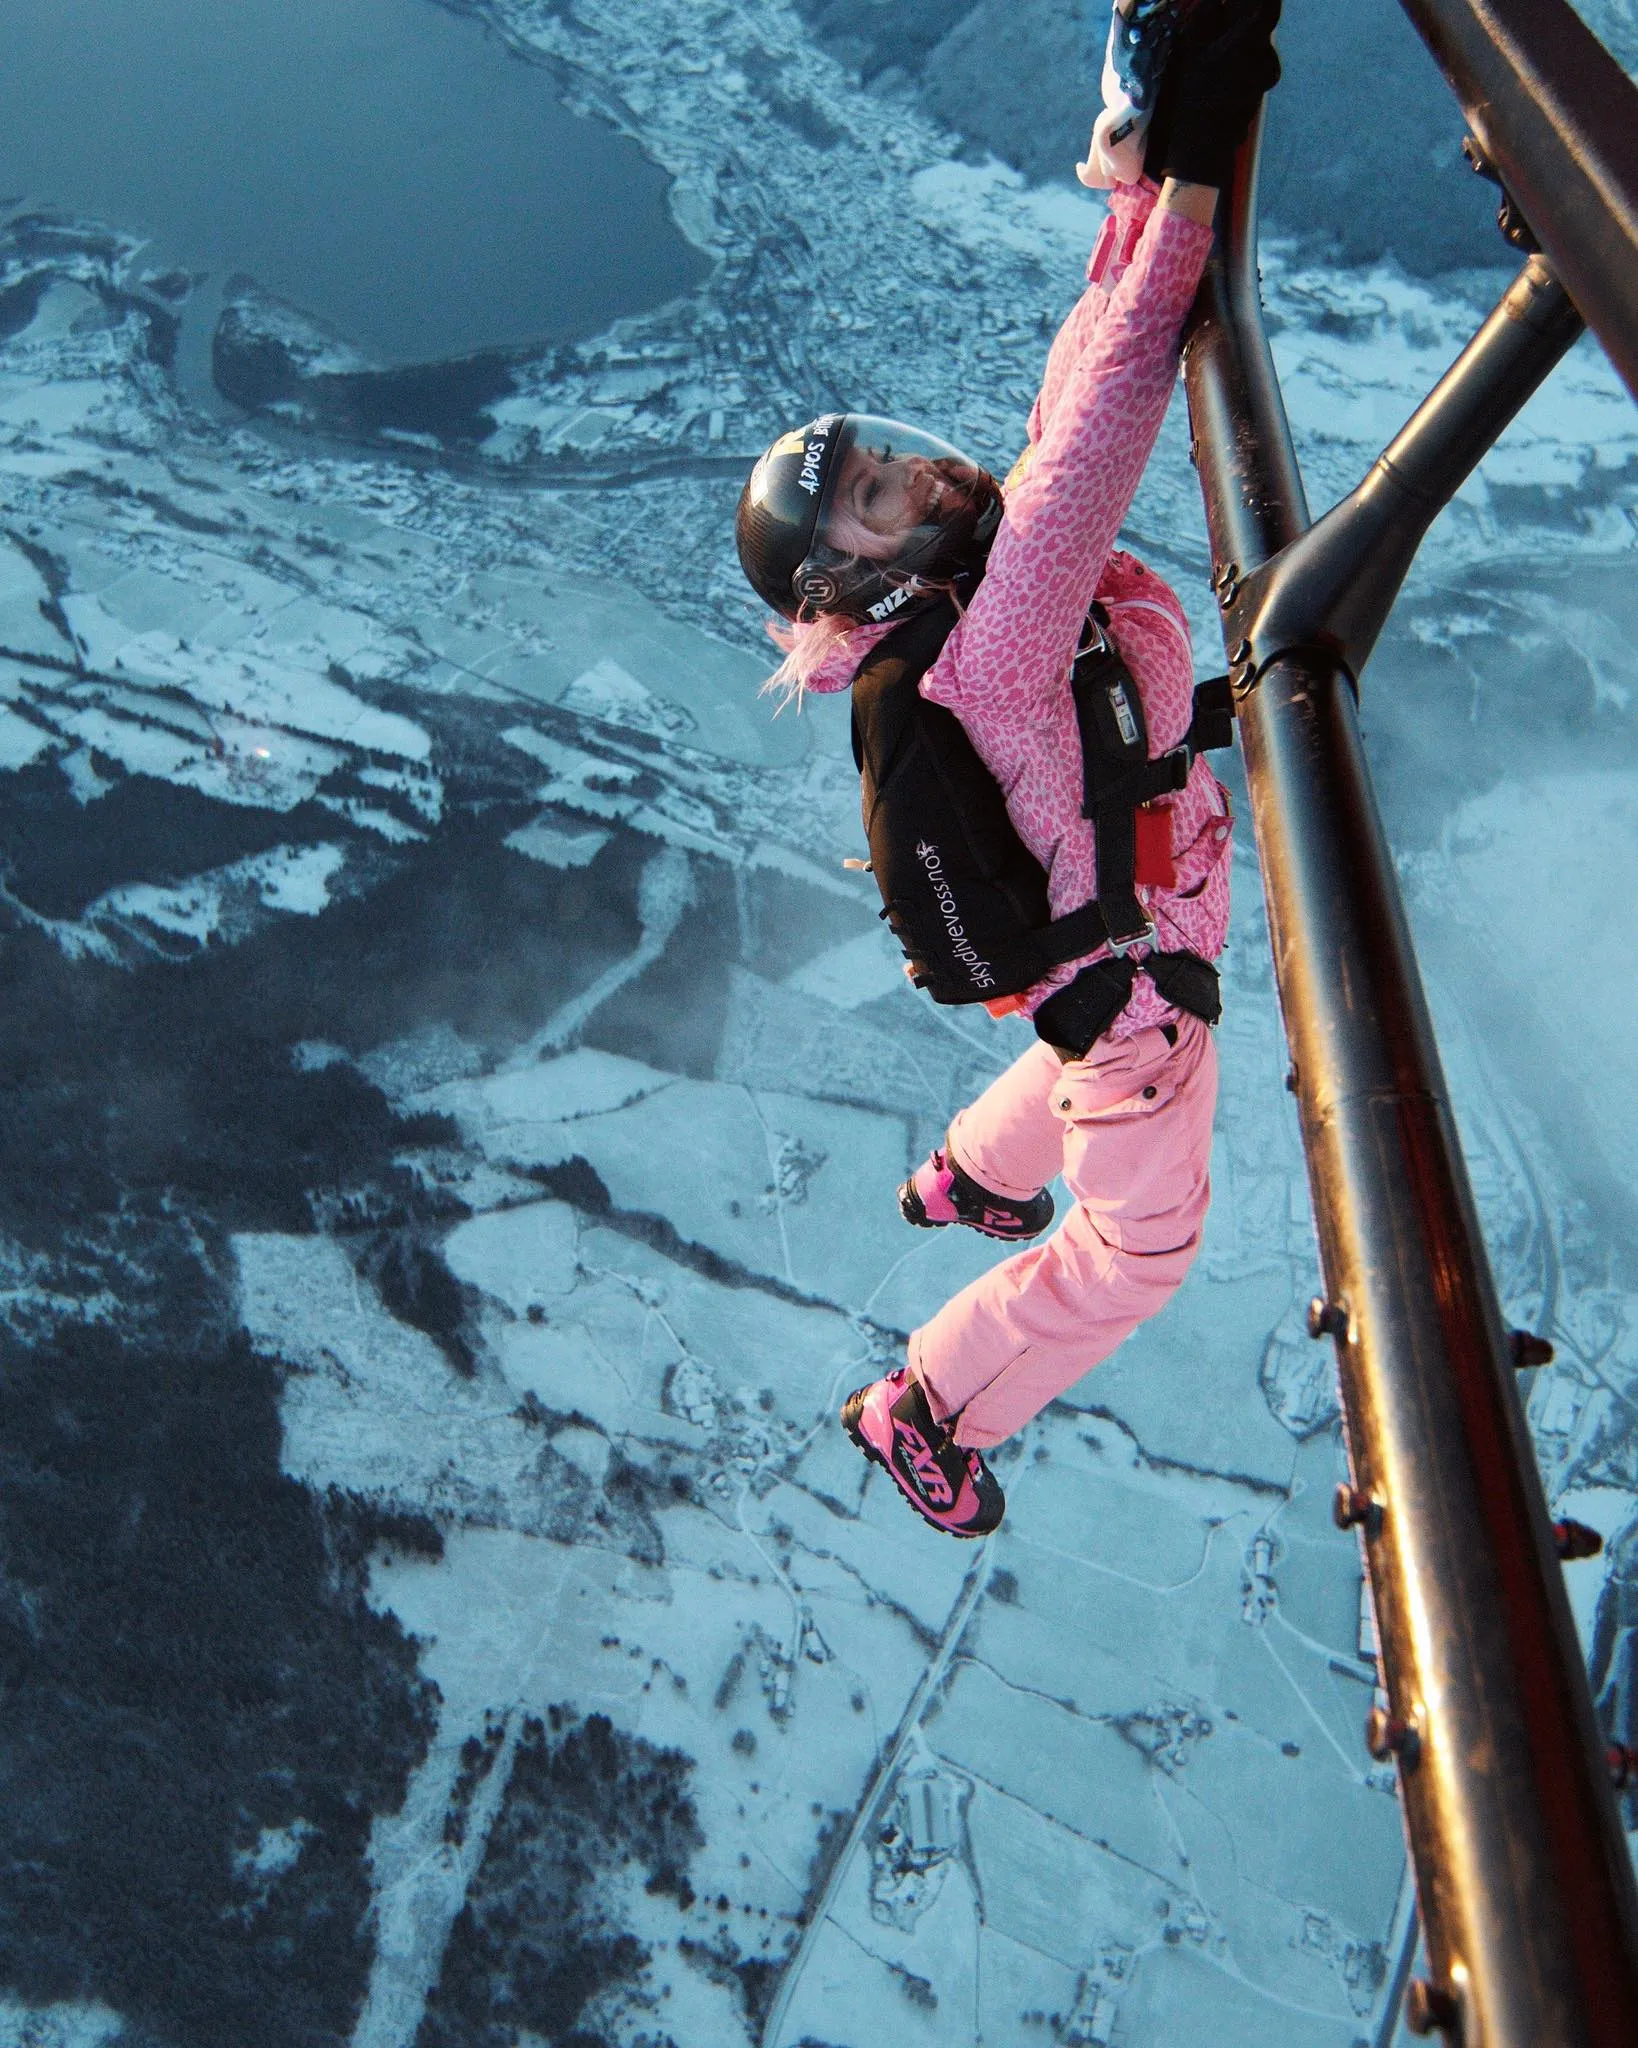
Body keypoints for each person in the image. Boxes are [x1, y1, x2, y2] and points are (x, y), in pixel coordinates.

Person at [735, 1, 1281, 1538]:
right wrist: (1175, 192)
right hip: (1137, 993)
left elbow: (1058, 411)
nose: (902, 479)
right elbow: (1101, 421)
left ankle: (972, 1180)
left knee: (1082, 1046)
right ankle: (932, 1402)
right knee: (1134, 1260)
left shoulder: (969, 595)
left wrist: (1134, 193)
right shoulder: (1000, 620)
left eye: (874, 462)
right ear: (848, 586)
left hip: (1104, 966)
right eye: (860, 503)